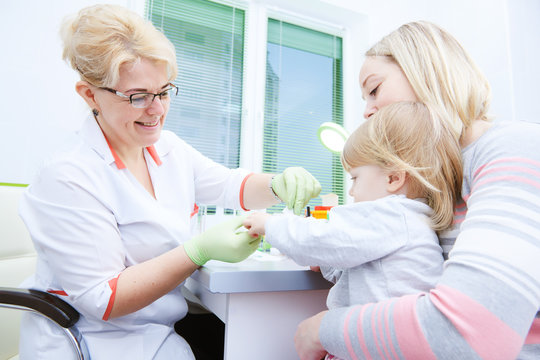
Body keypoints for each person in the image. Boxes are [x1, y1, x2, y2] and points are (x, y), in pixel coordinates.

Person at [17, 4, 320, 360]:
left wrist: (277, 184)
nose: (157, 109)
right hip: (91, 343)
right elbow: (105, 298)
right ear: (89, 94)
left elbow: (230, 186)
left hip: (156, 336)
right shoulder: (68, 175)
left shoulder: (167, 148)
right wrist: (198, 251)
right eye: (138, 97)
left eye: (163, 91)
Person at [293, 20, 540, 360]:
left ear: (426, 70)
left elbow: (465, 334)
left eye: (374, 89)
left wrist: (322, 330)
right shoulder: (430, 177)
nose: (366, 111)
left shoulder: (516, 148)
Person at [244, 101, 462, 359]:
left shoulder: (391, 214)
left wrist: (269, 224)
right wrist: (324, 262)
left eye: (355, 178)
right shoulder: (409, 220)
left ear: (393, 178)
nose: (351, 191)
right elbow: (363, 268)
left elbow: (322, 238)